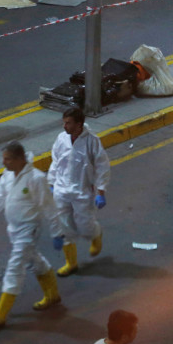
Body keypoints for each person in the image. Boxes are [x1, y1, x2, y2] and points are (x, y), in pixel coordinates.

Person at [0, 141, 63, 327]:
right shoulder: (7, 175)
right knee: (35, 260)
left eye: (7, 159)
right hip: (14, 229)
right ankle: (53, 295)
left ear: (19, 159)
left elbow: (50, 208)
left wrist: (57, 232)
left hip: (29, 229)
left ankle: (0, 315)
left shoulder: (36, 178)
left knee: (15, 266)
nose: (4, 163)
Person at [48, 106, 111, 277]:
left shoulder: (92, 141)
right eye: (64, 122)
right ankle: (71, 263)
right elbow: (56, 161)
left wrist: (101, 191)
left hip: (82, 191)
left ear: (79, 124)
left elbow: (102, 167)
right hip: (61, 190)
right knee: (65, 227)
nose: (64, 126)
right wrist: (52, 182)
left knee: (85, 226)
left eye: (68, 123)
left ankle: (95, 234)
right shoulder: (61, 139)